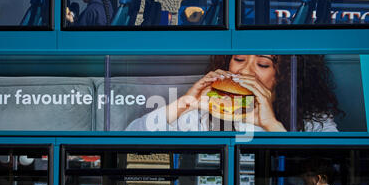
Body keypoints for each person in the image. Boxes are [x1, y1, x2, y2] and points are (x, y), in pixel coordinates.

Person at [126, 55, 343, 132]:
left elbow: (317, 172)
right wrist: (185, 103)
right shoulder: (208, 114)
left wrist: (272, 126)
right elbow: (132, 135)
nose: (245, 70)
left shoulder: (312, 120)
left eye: (263, 64)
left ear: (283, 76)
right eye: (238, 59)